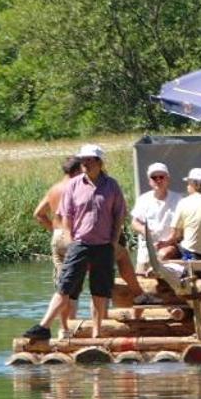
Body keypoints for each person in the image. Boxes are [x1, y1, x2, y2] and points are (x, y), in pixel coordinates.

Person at [23, 144, 126, 343]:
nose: (85, 164)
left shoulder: (112, 185)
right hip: (79, 243)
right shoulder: (74, 185)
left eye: (89, 160)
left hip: (104, 245)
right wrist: (70, 239)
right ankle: (44, 327)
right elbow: (65, 215)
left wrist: (113, 241)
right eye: (82, 160)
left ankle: (97, 332)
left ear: (99, 162)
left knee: (100, 290)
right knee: (65, 286)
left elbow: (119, 215)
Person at [156, 167, 201, 298]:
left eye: (188, 183)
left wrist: (163, 243)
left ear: (193, 184)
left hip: (190, 257)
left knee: (163, 254)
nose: (187, 186)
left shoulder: (184, 202)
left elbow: (174, 236)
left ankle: (168, 296)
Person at [32, 156, 82, 331]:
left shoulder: (54, 189)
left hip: (57, 238)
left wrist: (54, 230)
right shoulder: (77, 187)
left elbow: (38, 213)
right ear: (77, 170)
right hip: (72, 236)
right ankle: (69, 330)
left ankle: (64, 328)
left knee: (62, 285)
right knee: (73, 287)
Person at [129, 162, 181, 273]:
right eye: (154, 177)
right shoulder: (143, 199)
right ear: (149, 181)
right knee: (142, 282)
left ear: (168, 179)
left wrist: (168, 242)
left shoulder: (178, 199)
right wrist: (144, 229)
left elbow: (182, 228)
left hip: (169, 249)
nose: (158, 180)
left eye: (161, 177)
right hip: (146, 250)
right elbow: (134, 222)